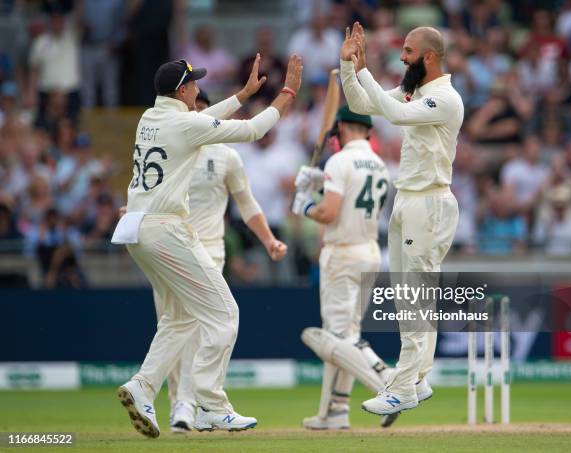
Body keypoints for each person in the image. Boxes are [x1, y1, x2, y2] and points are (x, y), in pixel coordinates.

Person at [111, 53, 302, 438]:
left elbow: (197, 120)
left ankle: (143, 386)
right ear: (182, 90)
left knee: (181, 318)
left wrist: (244, 93)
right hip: (167, 230)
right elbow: (252, 132)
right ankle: (211, 405)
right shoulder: (183, 124)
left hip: (136, 230)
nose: (198, 87)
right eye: (194, 83)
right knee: (225, 314)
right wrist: (287, 94)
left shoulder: (151, 118)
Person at [340, 23, 464, 415]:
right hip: (408, 201)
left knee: (416, 299)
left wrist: (364, 70)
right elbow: (362, 105)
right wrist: (349, 65)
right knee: (407, 298)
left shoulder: (445, 98)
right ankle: (418, 377)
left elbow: (392, 113)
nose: (402, 57)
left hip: (429, 204)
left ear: (429, 56)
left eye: (408, 51)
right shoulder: (417, 90)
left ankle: (404, 389)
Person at [161, 91, 287, 432]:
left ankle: (193, 405)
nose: (199, 116)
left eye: (203, 110)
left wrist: (269, 240)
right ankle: (181, 406)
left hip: (209, 252)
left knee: (206, 329)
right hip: (171, 249)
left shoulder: (228, 156)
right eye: (193, 110)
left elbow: (247, 205)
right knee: (174, 328)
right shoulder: (172, 150)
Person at [292, 106, 399, 429]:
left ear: (341, 128)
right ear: (367, 130)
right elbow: (350, 199)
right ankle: (335, 411)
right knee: (347, 336)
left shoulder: (339, 161)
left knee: (338, 339)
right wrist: (319, 183)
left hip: (342, 254)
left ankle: (388, 388)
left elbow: (329, 213)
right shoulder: (380, 165)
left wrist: (306, 204)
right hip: (369, 252)